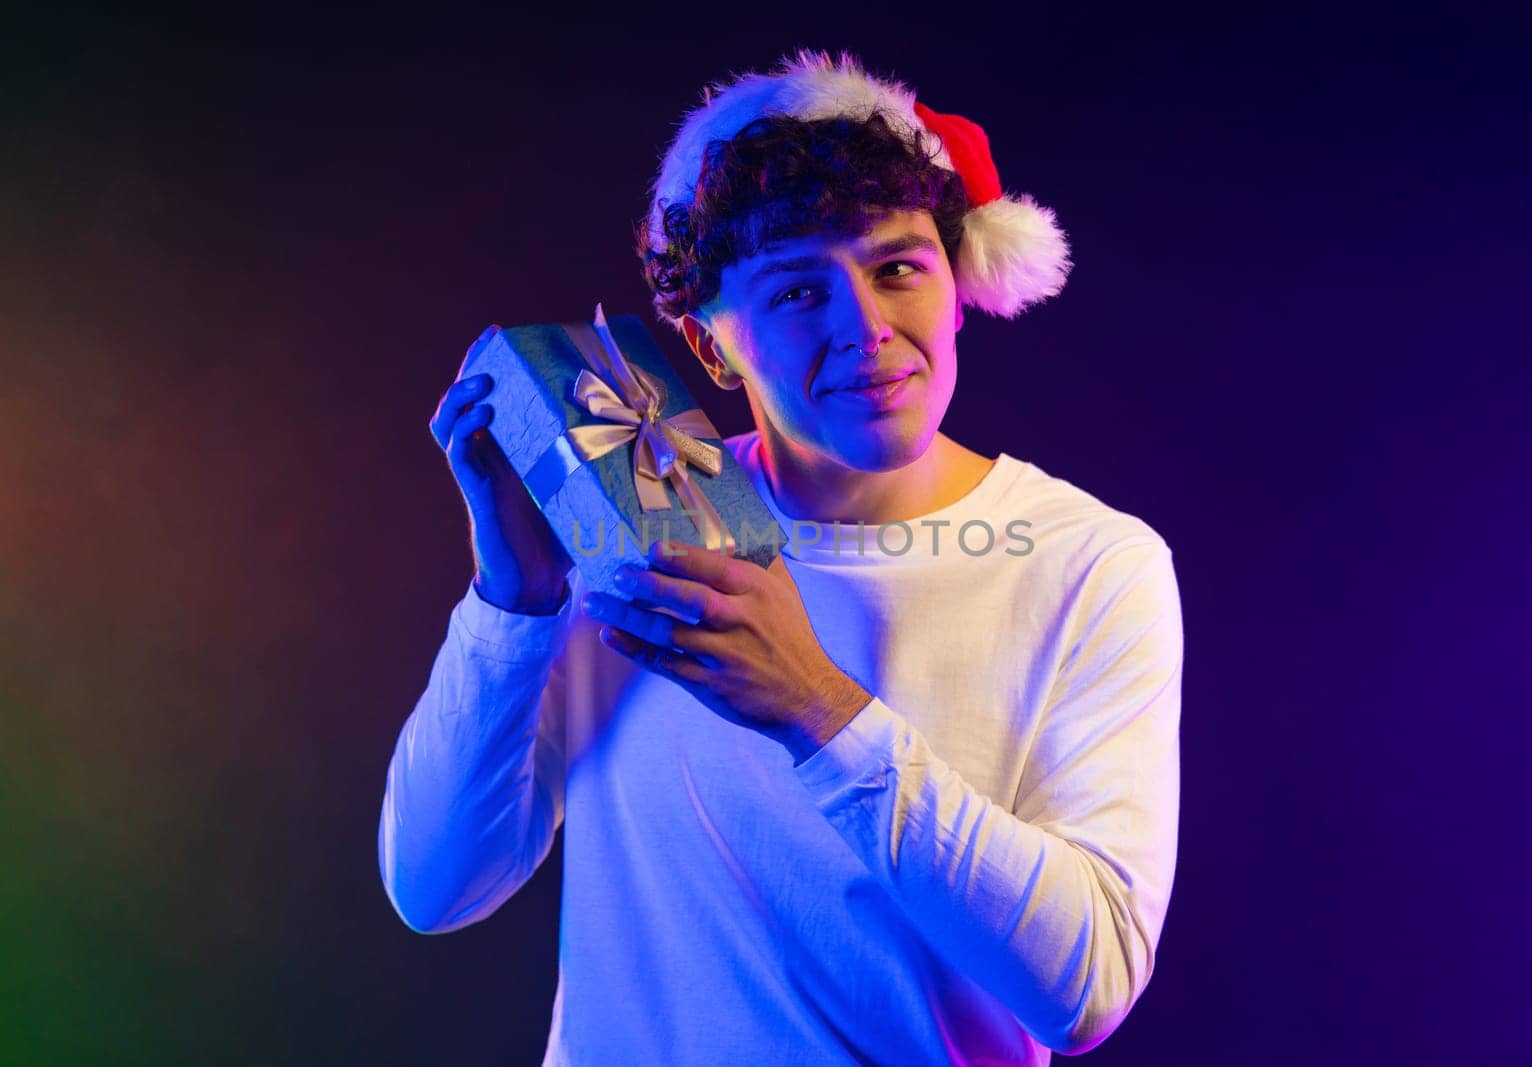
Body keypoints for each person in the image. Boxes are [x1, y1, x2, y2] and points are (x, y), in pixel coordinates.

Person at [379, 50, 1184, 1064]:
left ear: (953, 276)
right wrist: (515, 600)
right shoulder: (635, 528)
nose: (865, 329)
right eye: (799, 292)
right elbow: (436, 884)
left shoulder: (1088, 561)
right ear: (710, 346)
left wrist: (815, 705)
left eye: (896, 267)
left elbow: (1086, 987)